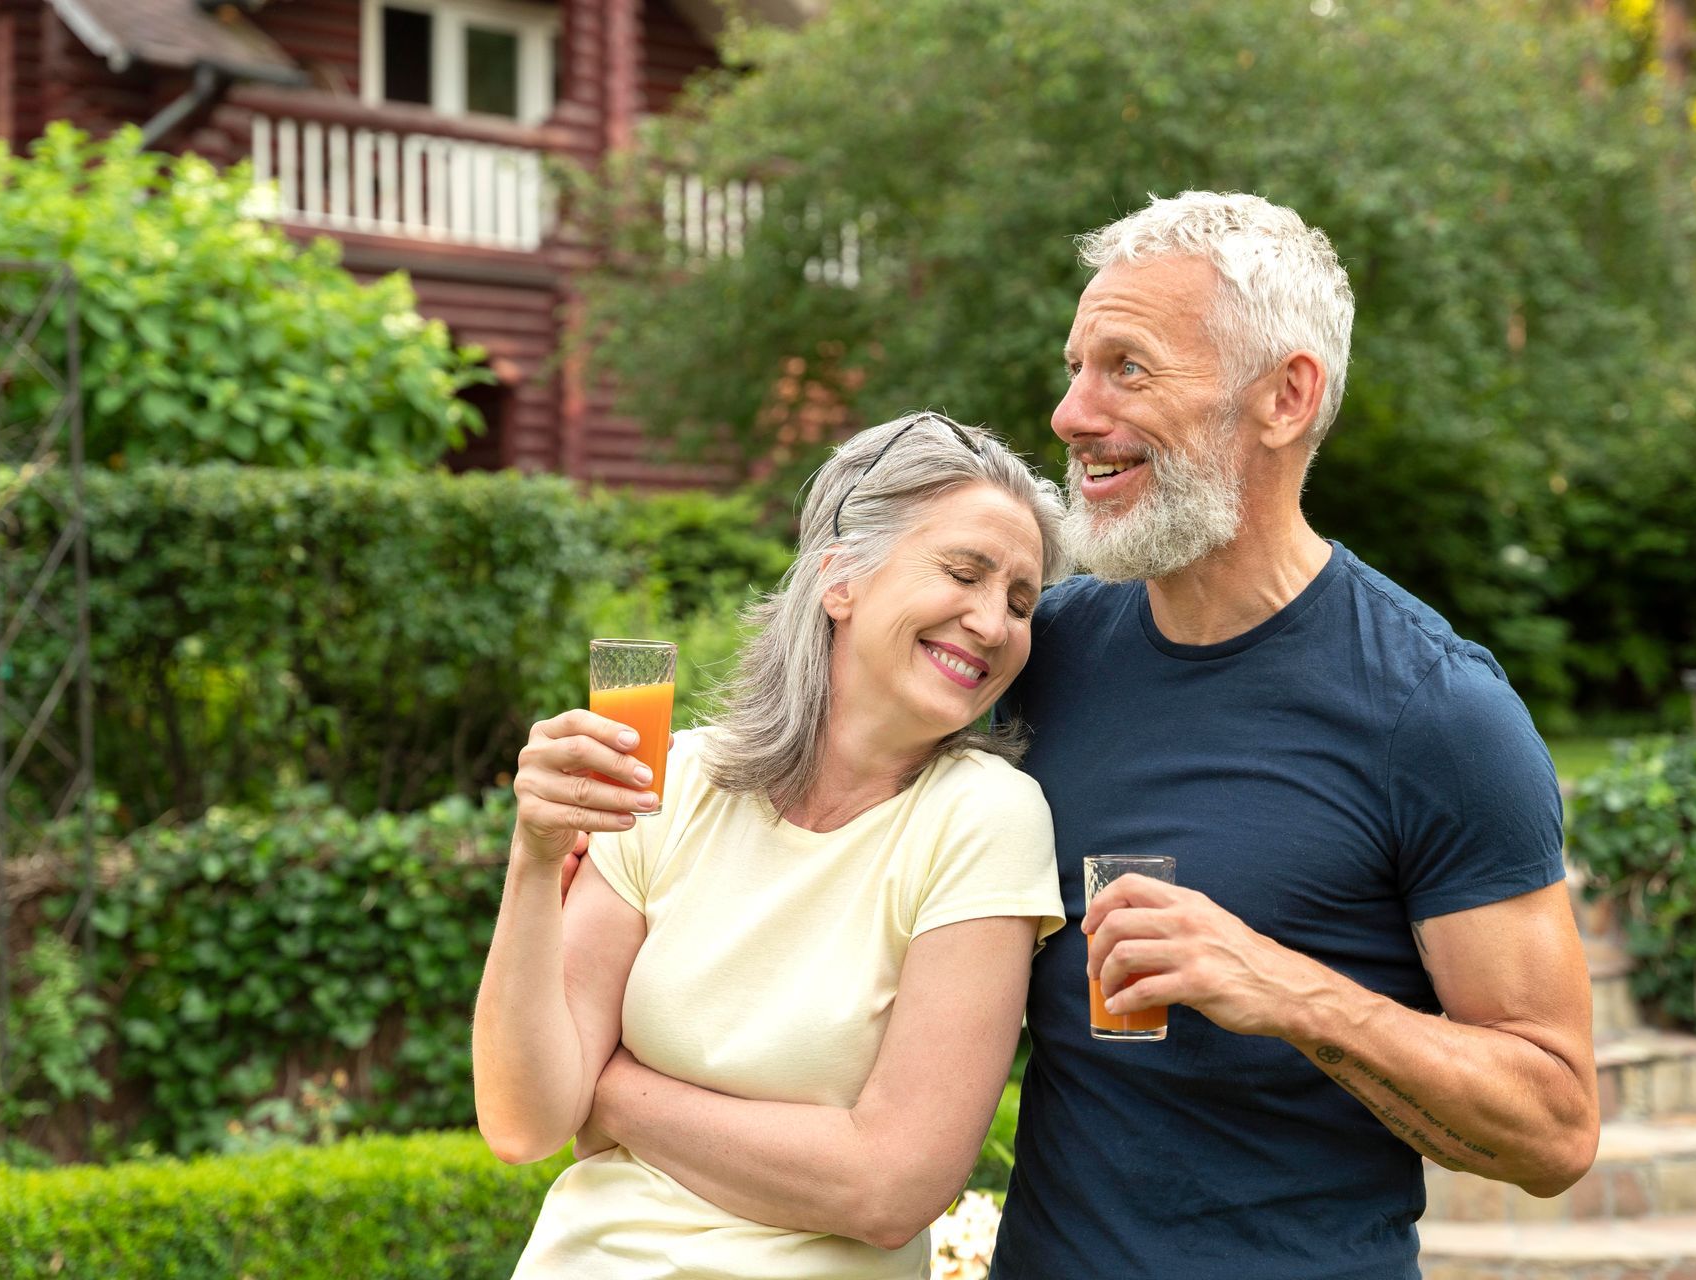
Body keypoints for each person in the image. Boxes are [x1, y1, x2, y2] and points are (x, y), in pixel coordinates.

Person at [989, 192, 1600, 1279]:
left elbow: (1554, 1125)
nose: (1071, 413)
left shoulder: (1438, 712)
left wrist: (1284, 987)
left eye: (1127, 367)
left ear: (1285, 394)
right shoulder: (1047, 651)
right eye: (1076, 365)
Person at [472, 412, 1070, 1280]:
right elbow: (525, 1123)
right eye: (963, 573)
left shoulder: (985, 821)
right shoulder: (666, 783)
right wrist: (533, 859)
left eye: (1021, 601)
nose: (993, 622)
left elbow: (888, 1187)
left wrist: (613, 1091)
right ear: (840, 579)